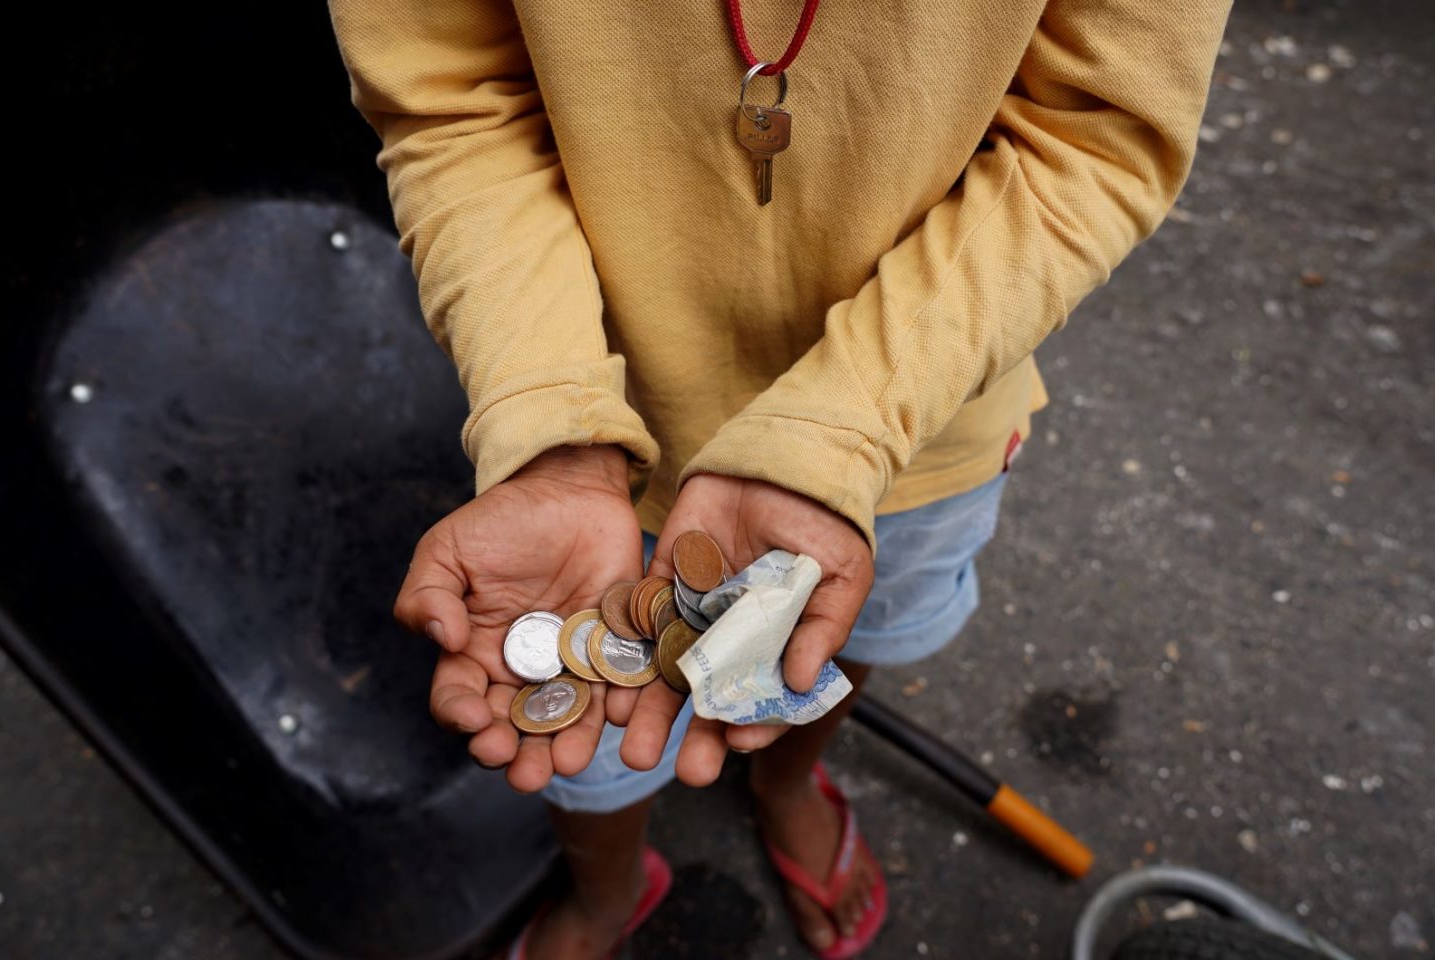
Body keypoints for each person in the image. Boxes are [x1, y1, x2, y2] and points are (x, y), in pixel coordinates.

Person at [326, 0, 1232, 956]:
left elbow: (1096, 135)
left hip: (923, 416)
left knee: (836, 649)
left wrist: (843, 435)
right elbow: (453, 97)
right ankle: (606, 885)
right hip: (600, 409)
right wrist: (552, 423)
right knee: (585, 746)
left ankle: (788, 779)